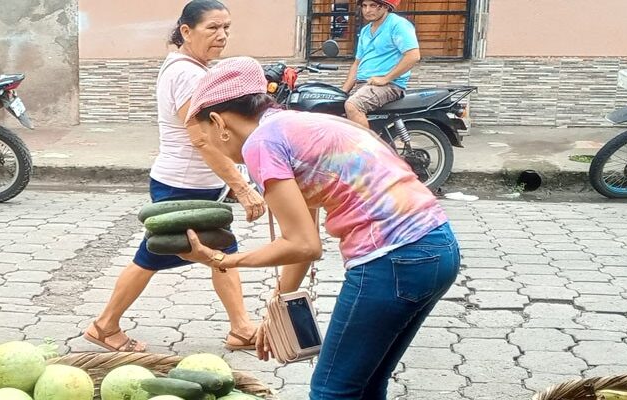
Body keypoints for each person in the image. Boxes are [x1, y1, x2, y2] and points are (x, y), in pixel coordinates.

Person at [178, 57, 461, 400]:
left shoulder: (260, 144)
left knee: (331, 390)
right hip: (437, 248)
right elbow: (305, 233)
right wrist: (278, 306)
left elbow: (304, 245)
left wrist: (225, 260)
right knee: (367, 383)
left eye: (204, 137)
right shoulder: (293, 126)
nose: (211, 146)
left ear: (218, 121)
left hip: (393, 258)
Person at [82, 0, 262, 353]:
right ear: (185, 31)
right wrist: (243, 188)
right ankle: (104, 326)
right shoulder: (187, 74)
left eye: (226, 27)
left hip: (197, 185)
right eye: (212, 28)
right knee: (152, 255)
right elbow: (201, 139)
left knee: (223, 250)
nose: (222, 35)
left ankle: (241, 327)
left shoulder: (193, 69)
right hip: (182, 185)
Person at [342, 0, 420, 129]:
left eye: (373, 6)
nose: (367, 10)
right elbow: (357, 63)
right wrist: (343, 91)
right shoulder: (365, 30)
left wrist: (385, 79)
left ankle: (367, 148)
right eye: (364, 6)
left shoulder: (398, 24)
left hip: (389, 86)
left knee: (353, 105)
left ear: (386, 7)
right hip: (365, 85)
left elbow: (413, 56)